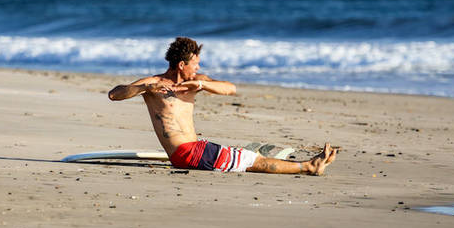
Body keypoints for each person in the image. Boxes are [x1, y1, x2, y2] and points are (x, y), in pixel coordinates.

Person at [107, 37, 338, 175]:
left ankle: (307, 165)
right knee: (249, 161)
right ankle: (309, 167)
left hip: (195, 149)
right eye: (194, 65)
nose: (197, 68)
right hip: (185, 154)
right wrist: (144, 89)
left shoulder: (196, 82)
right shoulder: (155, 84)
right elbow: (114, 94)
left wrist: (199, 84)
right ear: (180, 64)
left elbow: (230, 88)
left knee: (246, 157)